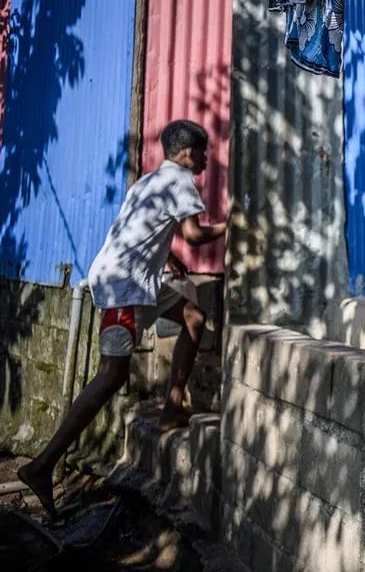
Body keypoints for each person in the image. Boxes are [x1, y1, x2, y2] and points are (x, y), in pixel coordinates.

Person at [18, 119, 226, 518]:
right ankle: (41, 465)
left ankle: (171, 410)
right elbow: (194, 234)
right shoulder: (181, 180)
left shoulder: (147, 182)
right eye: (202, 151)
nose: (205, 158)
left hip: (136, 280)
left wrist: (171, 257)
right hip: (125, 288)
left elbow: (140, 230)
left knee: (194, 318)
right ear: (185, 154)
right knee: (112, 375)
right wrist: (232, 223)